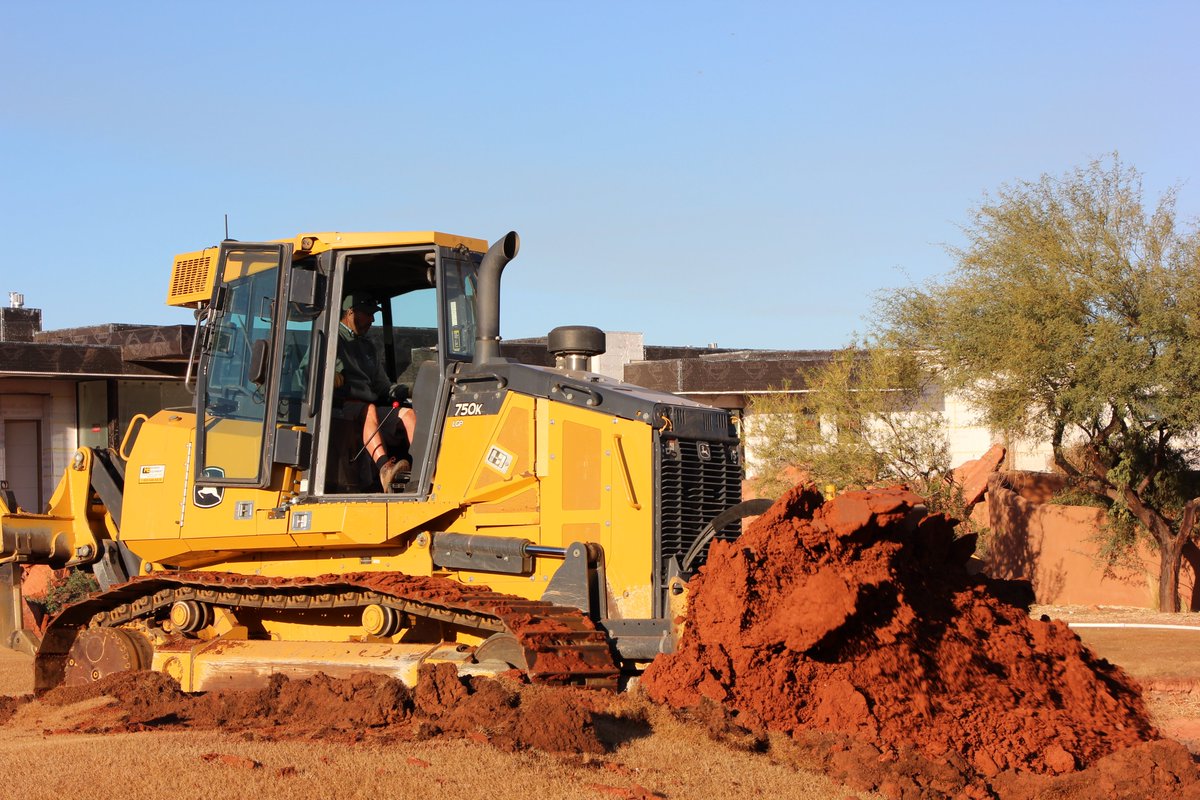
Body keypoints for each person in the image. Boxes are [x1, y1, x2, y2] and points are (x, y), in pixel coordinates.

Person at [335, 292, 416, 492]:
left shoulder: (368, 346)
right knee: (369, 409)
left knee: (408, 414)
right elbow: (309, 373)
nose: (372, 319)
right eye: (368, 314)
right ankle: (385, 469)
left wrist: (413, 389)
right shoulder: (332, 339)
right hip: (341, 407)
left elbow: (383, 386)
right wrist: (333, 378)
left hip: (366, 406)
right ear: (351, 313)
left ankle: (427, 469)